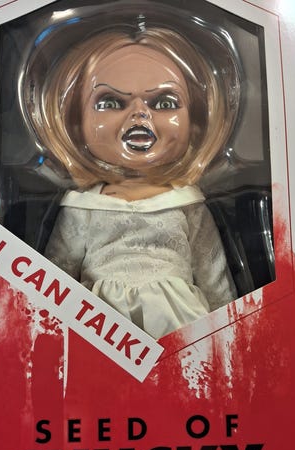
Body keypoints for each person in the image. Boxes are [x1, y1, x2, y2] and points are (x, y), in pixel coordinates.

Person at [26, 26, 240, 338]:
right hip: (99, 325)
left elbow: (213, 275)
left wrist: (232, 333)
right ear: (75, 122)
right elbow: (57, 275)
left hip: (179, 323)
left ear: (196, 122)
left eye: (163, 103)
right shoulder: (84, 206)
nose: (140, 114)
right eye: (110, 102)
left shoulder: (186, 203)